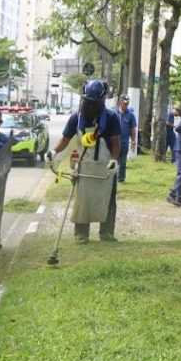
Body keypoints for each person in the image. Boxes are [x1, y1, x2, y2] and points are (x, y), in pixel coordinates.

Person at [46, 79, 121, 243]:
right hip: (84, 165)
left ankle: (106, 233)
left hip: (106, 165)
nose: (91, 106)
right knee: (82, 199)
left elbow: (116, 143)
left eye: (95, 103)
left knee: (107, 199)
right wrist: (53, 151)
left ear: (101, 101)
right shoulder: (76, 118)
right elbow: (65, 140)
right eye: (88, 102)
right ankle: (81, 234)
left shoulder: (111, 118)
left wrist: (114, 160)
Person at [116, 95, 138, 183]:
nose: (126, 105)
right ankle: (112, 177)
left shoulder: (131, 115)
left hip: (124, 142)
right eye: (125, 103)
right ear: (120, 102)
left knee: (123, 161)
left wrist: (133, 141)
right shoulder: (114, 113)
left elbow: (133, 129)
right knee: (113, 159)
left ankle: (121, 178)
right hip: (114, 141)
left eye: (127, 103)